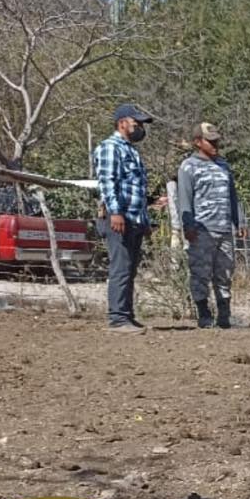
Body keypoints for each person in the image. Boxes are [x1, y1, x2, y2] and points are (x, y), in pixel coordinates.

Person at [92, 103, 154, 333]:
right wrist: (115, 212)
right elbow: (108, 182)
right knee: (121, 266)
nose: (139, 129)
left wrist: (144, 220)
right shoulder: (110, 148)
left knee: (130, 268)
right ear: (122, 123)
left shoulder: (131, 150)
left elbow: (137, 189)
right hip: (118, 217)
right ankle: (117, 318)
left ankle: (126, 314)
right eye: (136, 124)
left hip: (133, 218)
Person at [176, 122, 242, 328]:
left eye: (217, 141)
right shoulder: (188, 167)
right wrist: (188, 226)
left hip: (224, 229)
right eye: (210, 141)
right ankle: (204, 314)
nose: (215, 144)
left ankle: (224, 315)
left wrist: (239, 221)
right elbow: (185, 199)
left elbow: (233, 196)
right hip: (202, 230)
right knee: (200, 273)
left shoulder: (223, 165)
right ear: (198, 142)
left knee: (225, 273)